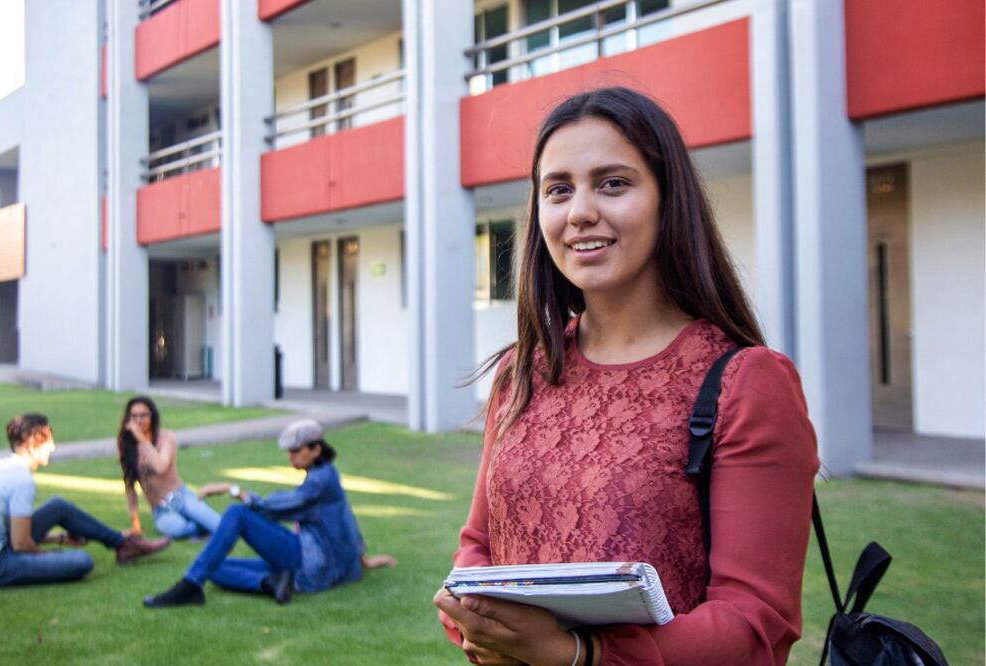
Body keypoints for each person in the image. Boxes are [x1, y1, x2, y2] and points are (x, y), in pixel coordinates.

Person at [433, 87, 820, 666]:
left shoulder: (746, 383)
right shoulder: (522, 371)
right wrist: (473, 619)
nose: (580, 210)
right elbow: (478, 547)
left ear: (669, 201)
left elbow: (755, 628)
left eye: (613, 183)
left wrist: (581, 656)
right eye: (558, 189)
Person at [143, 418, 396, 608]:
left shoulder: (319, 481)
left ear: (316, 449)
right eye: (289, 451)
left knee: (237, 513)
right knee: (213, 567)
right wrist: (363, 561)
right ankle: (270, 583)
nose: (290, 456)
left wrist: (233, 489)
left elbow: (271, 507)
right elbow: (345, 519)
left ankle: (189, 586)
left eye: (296, 451)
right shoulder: (327, 474)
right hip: (327, 565)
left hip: (314, 567)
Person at [0, 413, 172, 589]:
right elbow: (21, 544)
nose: (53, 447)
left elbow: (14, 532)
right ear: (32, 444)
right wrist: (48, 556)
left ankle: (123, 545)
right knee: (81, 561)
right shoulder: (20, 479)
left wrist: (60, 538)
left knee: (57, 507)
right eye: (48, 442)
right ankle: (126, 545)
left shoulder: (3, 467)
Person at [117, 396, 222, 539]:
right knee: (179, 530)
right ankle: (201, 528)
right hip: (160, 510)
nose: (139, 420)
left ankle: (208, 525)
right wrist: (135, 524)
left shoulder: (166, 438)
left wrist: (142, 440)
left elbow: (161, 467)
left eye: (143, 415)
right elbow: (129, 486)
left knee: (219, 525)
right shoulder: (126, 445)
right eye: (134, 416)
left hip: (182, 497)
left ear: (152, 416)